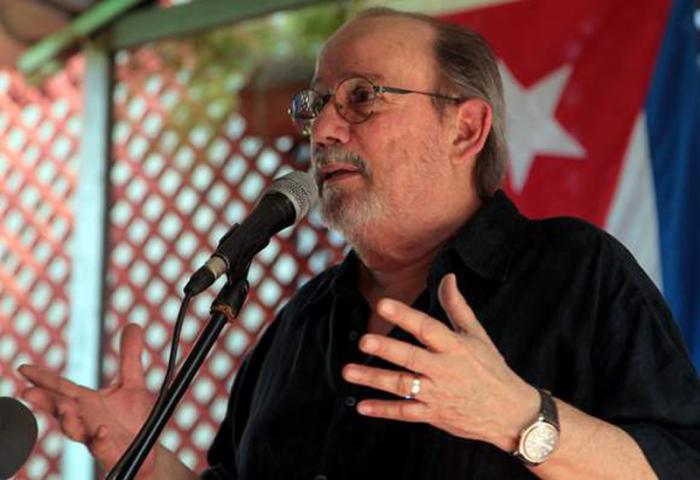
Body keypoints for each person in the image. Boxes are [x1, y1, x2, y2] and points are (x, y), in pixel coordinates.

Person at [19, 7, 700, 480]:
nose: (322, 131)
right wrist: (140, 453)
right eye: (315, 104)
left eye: (363, 97)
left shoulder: (575, 272)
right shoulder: (301, 322)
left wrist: (518, 418)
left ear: (465, 129)